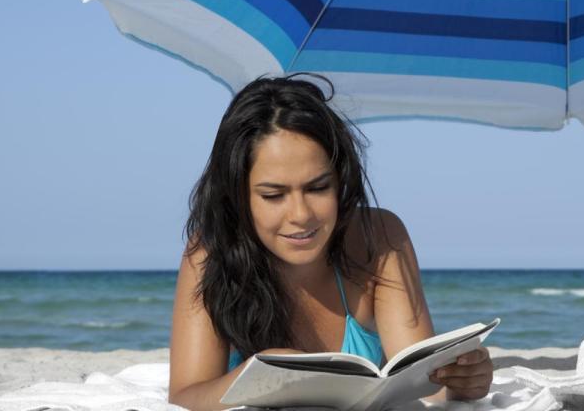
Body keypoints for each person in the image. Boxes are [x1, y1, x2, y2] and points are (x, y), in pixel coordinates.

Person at [167, 74, 494, 410]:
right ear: (237, 195)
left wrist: (460, 383)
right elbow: (185, 395)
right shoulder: (210, 252)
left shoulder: (379, 239)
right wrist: (257, 372)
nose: (301, 214)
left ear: (341, 179)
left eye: (318, 187)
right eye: (273, 195)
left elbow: (425, 388)